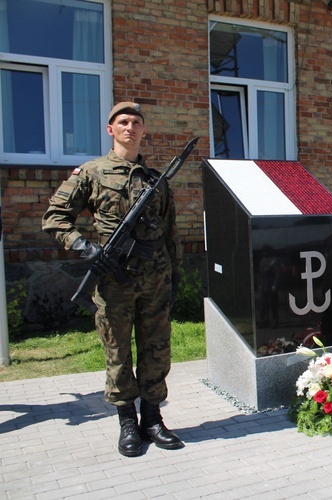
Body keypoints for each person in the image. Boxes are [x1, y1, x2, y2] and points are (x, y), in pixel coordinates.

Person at [42, 102, 184, 457]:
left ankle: (153, 420)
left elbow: (170, 233)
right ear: (111, 129)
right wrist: (85, 248)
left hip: (156, 281)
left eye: (137, 122)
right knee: (118, 353)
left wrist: (175, 274)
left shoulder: (157, 180)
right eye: (123, 122)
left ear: (143, 130)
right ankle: (127, 423)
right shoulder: (92, 172)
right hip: (114, 282)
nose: (130, 127)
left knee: (157, 351)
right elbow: (55, 216)